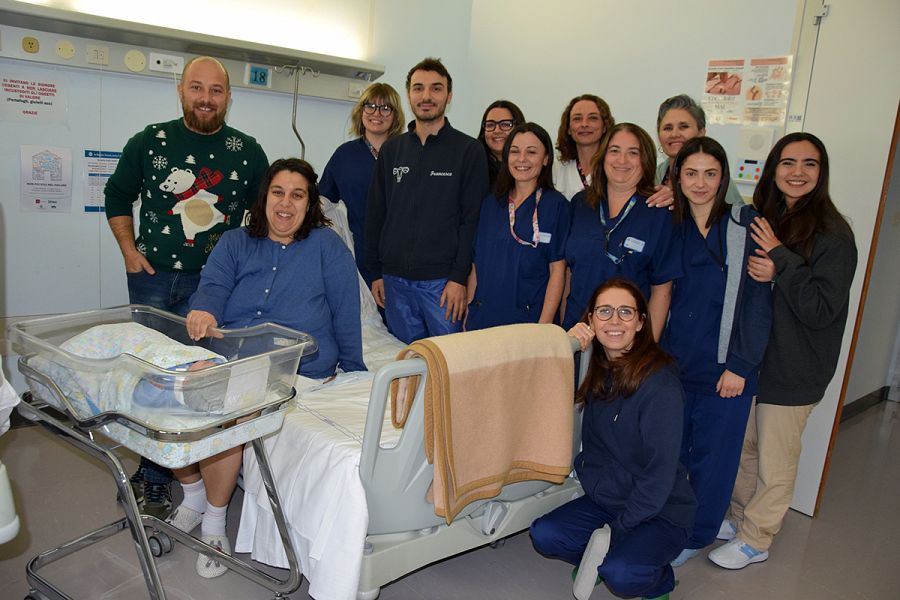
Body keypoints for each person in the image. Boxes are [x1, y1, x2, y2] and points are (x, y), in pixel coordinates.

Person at [167, 157, 365, 578]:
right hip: (233, 353)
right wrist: (204, 311)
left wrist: (353, 369)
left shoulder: (327, 247)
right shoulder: (234, 242)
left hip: (297, 366)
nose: (286, 204)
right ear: (264, 197)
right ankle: (193, 493)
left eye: (298, 195)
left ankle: (214, 524)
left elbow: (346, 310)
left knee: (231, 409)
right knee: (171, 392)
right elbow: (213, 288)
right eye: (278, 192)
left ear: (310, 203)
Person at [104, 55, 268, 519]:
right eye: (197, 88)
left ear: (229, 97)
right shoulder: (150, 140)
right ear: (180, 91)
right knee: (151, 377)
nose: (205, 99)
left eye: (216, 90)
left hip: (211, 284)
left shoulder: (246, 151)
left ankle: (187, 471)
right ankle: (155, 475)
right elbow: (117, 195)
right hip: (151, 277)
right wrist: (128, 249)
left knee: (197, 379)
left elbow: (264, 212)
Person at [709, 133, 857, 569]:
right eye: (788, 162)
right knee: (745, 450)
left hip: (796, 368)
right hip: (757, 361)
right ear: (773, 169)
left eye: (809, 164)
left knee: (776, 461)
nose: (797, 172)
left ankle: (757, 539)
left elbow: (821, 309)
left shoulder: (833, 234)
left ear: (821, 173)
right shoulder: (767, 218)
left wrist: (779, 261)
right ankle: (740, 519)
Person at [530, 278, 695, 600]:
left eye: (625, 312)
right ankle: (609, 558)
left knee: (621, 574)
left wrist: (617, 531)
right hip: (607, 498)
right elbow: (548, 391)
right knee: (546, 535)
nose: (615, 320)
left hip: (659, 509)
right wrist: (568, 346)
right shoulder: (598, 368)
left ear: (641, 322)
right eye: (604, 311)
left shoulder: (660, 387)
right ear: (590, 320)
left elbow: (658, 478)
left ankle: (659, 580)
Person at [661, 137, 772, 567]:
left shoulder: (745, 225)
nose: (700, 183)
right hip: (677, 361)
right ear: (677, 177)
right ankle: (674, 522)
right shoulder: (672, 225)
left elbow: (759, 303)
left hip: (727, 368)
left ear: (723, 177)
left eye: (710, 174)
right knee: (676, 452)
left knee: (715, 459)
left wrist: (741, 366)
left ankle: (698, 533)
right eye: (691, 173)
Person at [365, 57, 488, 344]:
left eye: (436, 88)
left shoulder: (468, 150)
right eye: (418, 88)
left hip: (443, 285)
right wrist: (375, 273)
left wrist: (459, 277)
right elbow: (376, 214)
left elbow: (472, 220)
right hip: (394, 282)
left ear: (449, 95)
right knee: (406, 362)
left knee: (447, 362)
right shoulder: (392, 150)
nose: (426, 96)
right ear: (409, 95)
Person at [563, 123, 681, 340]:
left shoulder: (659, 212)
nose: (622, 160)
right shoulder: (580, 204)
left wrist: (647, 348)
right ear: (603, 156)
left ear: (645, 160)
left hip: (627, 339)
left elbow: (662, 290)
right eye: (614, 151)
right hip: (577, 333)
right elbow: (568, 272)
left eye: (633, 153)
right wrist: (563, 334)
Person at [466, 123, 569, 330]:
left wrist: (544, 327)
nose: (521, 159)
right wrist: (469, 314)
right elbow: (477, 266)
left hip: (528, 322)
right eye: (514, 151)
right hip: (484, 318)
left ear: (546, 159)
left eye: (531, 152)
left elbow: (558, 270)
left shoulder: (556, 206)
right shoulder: (491, 204)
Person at [319, 83, 405, 288]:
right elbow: (321, 202)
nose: (377, 113)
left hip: (402, 257)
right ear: (361, 111)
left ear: (395, 115)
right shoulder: (344, 156)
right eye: (370, 106)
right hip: (361, 257)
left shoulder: (408, 152)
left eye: (385, 108)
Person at [654, 94, 744, 205]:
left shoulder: (716, 180)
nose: (674, 134)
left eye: (684, 126)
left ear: (701, 133)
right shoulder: (654, 177)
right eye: (668, 128)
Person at [552, 94, 614, 201]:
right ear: (568, 128)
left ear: (605, 126)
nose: (584, 124)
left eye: (593, 118)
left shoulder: (617, 166)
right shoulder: (556, 168)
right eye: (577, 119)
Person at [476, 99, 525, 187]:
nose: (497, 131)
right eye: (490, 125)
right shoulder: (473, 166)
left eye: (505, 124)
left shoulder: (529, 166)